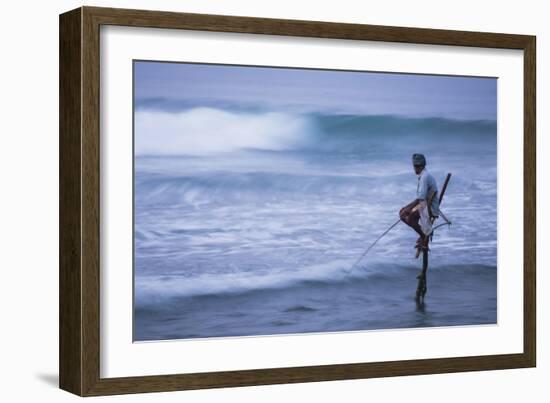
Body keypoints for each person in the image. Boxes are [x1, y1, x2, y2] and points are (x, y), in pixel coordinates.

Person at [399, 153, 439, 252]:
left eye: (416, 166)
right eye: (414, 166)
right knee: (402, 213)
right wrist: (406, 207)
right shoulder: (424, 175)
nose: (414, 169)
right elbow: (420, 198)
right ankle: (423, 235)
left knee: (409, 217)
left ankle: (424, 236)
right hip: (424, 204)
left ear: (420, 166)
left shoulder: (425, 177)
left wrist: (408, 209)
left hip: (429, 207)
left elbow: (420, 198)